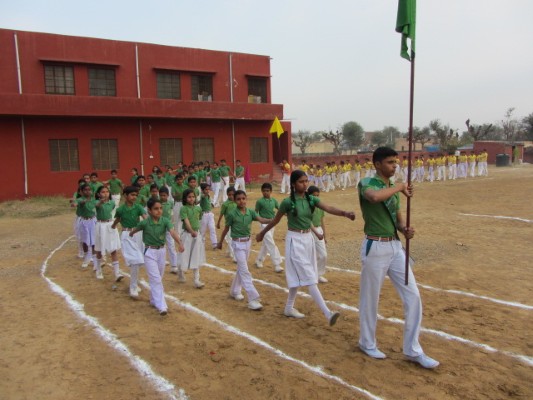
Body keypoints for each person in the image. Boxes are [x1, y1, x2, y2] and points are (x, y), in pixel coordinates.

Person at [357, 146, 439, 369]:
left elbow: (397, 219)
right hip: (375, 246)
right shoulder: (367, 183)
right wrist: (400, 187)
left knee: (413, 295)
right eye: (390, 162)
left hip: (395, 247)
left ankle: (413, 349)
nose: (395, 166)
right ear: (377, 164)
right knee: (370, 298)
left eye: (396, 162)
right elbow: (374, 197)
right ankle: (366, 342)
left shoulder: (393, 188)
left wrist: (405, 229)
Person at [256, 170, 355, 326]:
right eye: (301, 181)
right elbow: (275, 220)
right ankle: (327, 313)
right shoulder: (287, 202)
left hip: (308, 239)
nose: (305, 184)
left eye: (306, 181)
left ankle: (289, 307)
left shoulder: (311, 199)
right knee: (309, 277)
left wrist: (345, 213)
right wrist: (262, 232)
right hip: (294, 240)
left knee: (300, 276)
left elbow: (328, 208)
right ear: (293, 184)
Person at [129, 198, 184, 316]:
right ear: (149, 210)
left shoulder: (165, 221)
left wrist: (179, 243)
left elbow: (172, 232)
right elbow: (135, 230)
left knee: (159, 276)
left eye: (160, 208)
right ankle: (162, 305)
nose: (159, 211)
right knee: (156, 279)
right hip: (149, 252)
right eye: (155, 209)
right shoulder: (145, 223)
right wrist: (131, 234)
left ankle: (153, 299)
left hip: (161, 251)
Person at [217, 190, 271, 310]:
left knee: (241, 269)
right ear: (235, 200)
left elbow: (261, 219)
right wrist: (220, 242)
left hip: (247, 243)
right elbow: (226, 229)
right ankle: (253, 298)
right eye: (238, 199)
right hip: (237, 244)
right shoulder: (232, 214)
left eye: (243, 198)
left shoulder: (250, 212)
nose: (241, 201)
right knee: (245, 270)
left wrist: (273, 220)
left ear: (246, 199)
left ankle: (234, 291)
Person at [112, 186, 147, 298]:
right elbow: (118, 220)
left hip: (138, 234)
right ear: (125, 195)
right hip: (127, 234)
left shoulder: (139, 207)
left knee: (137, 260)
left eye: (136, 195)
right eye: (132, 195)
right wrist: (112, 227)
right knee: (135, 260)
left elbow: (145, 218)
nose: (134, 197)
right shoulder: (120, 209)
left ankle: (134, 283)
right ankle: (133, 287)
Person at [93, 186, 122, 281]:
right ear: (98, 194)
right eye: (103, 192)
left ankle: (117, 273)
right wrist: (101, 201)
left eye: (107, 192)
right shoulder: (96, 202)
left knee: (113, 249)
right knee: (99, 249)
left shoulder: (112, 203)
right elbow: (97, 206)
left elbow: (112, 210)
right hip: (100, 225)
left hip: (109, 225)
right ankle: (98, 270)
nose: (105, 194)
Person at [254, 182, 283, 273]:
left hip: (272, 224)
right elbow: (255, 213)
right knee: (270, 242)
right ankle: (277, 264)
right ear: (261, 191)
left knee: (266, 243)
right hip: (263, 224)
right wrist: (260, 220)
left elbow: (280, 210)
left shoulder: (274, 201)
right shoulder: (259, 201)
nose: (265, 192)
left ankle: (259, 260)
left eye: (267, 191)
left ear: (271, 191)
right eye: (264, 191)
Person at [179, 188, 205, 288]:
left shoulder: (198, 208)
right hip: (187, 235)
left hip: (196, 235)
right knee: (184, 255)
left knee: (196, 256)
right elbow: (186, 221)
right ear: (185, 198)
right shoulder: (184, 208)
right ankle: (180, 272)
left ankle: (196, 279)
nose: (191, 199)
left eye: (193, 197)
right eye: (189, 197)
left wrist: (197, 232)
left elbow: (199, 220)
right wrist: (191, 231)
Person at [308, 186, 328, 283]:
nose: (316, 198)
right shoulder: (307, 206)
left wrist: (325, 236)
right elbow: (307, 221)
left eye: (317, 196)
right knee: (310, 255)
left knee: (323, 255)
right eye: (314, 196)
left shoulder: (320, 207)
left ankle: (318, 274)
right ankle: (310, 275)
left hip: (319, 230)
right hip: (309, 231)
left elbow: (322, 221)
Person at [74, 183, 97, 268]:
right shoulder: (80, 199)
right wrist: (75, 203)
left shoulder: (94, 200)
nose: (88, 191)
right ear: (82, 191)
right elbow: (76, 203)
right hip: (84, 221)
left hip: (93, 221)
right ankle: (86, 256)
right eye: (85, 190)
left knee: (94, 240)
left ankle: (94, 259)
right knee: (85, 240)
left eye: (89, 190)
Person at [159, 187, 180, 275]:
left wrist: (172, 223)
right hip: (159, 227)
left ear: (168, 195)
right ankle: (161, 262)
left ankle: (174, 265)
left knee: (171, 245)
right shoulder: (157, 203)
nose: (163, 197)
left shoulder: (171, 203)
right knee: (161, 245)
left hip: (168, 227)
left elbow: (171, 214)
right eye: (161, 195)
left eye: (164, 195)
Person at [216, 186, 237, 262]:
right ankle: (235, 256)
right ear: (227, 195)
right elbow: (221, 214)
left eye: (233, 194)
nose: (231, 196)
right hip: (228, 224)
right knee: (230, 239)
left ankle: (228, 252)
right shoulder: (225, 204)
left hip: (236, 224)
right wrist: (218, 222)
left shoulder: (237, 202)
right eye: (229, 195)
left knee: (232, 238)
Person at [199, 183, 217, 249]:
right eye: (206, 189)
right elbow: (201, 198)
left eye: (208, 189)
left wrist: (211, 204)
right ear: (202, 190)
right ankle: (201, 244)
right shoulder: (202, 196)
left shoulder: (208, 195)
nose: (208, 190)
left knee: (212, 228)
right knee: (202, 231)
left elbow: (209, 201)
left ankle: (214, 244)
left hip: (210, 214)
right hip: (203, 215)